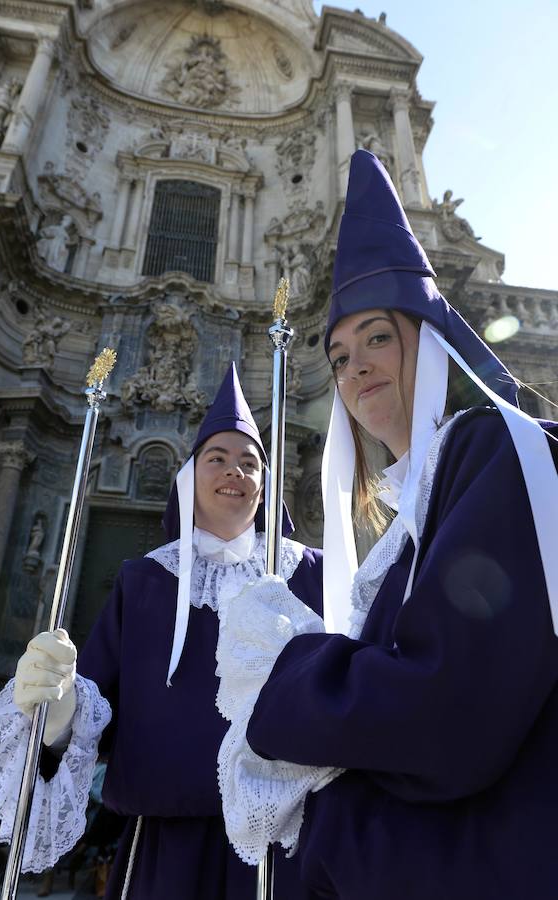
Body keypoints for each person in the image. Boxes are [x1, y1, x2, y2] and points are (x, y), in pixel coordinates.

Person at [215, 151, 558, 900]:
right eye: (338, 356)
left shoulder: (492, 448)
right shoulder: (438, 484)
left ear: (430, 340)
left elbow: (448, 708)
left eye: (377, 338)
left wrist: (285, 668)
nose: (355, 369)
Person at [0, 363, 323, 900]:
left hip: (287, 846)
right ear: (189, 478)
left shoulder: (311, 573)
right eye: (218, 458)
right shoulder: (145, 579)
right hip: (165, 848)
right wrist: (58, 705)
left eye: (250, 463)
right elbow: (95, 705)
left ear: (267, 483)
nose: (236, 472)